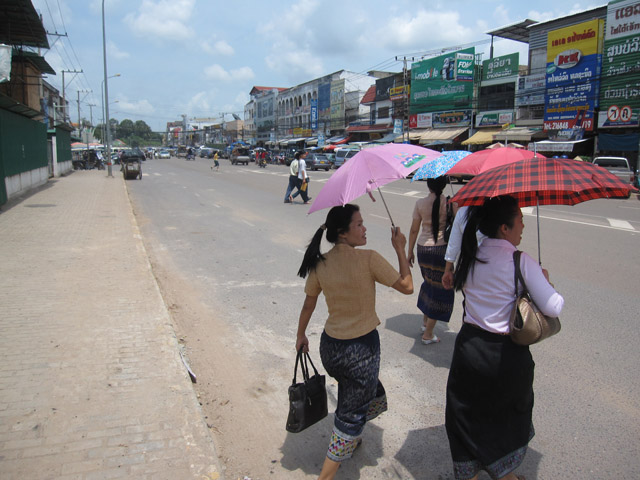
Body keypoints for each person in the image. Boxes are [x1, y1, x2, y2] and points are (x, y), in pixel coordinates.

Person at [445, 195, 564, 480]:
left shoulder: (471, 255)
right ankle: (504, 473)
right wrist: (544, 282)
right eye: (519, 219)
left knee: (468, 417)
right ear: (504, 228)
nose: (523, 225)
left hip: (468, 350)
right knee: (503, 419)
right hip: (504, 356)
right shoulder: (519, 261)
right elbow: (553, 306)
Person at [296, 205, 413, 480]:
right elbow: (407, 286)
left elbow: (308, 305)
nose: (364, 228)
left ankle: (353, 435)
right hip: (361, 351)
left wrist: (301, 336)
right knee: (349, 415)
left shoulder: (320, 263)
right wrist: (400, 248)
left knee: (360, 393)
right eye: (359, 224)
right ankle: (327, 472)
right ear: (343, 233)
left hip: (331, 350)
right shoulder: (369, 259)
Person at [407, 176, 456, 345]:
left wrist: (409, 252)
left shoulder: (420, 203)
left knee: (429, 283)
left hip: (423, 248)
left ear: (428, 185)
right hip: (442, 250)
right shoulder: (450, 203)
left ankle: (425, 322)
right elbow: (457, 229)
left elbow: (414, 230)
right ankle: (428, 334)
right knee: (441, 289)